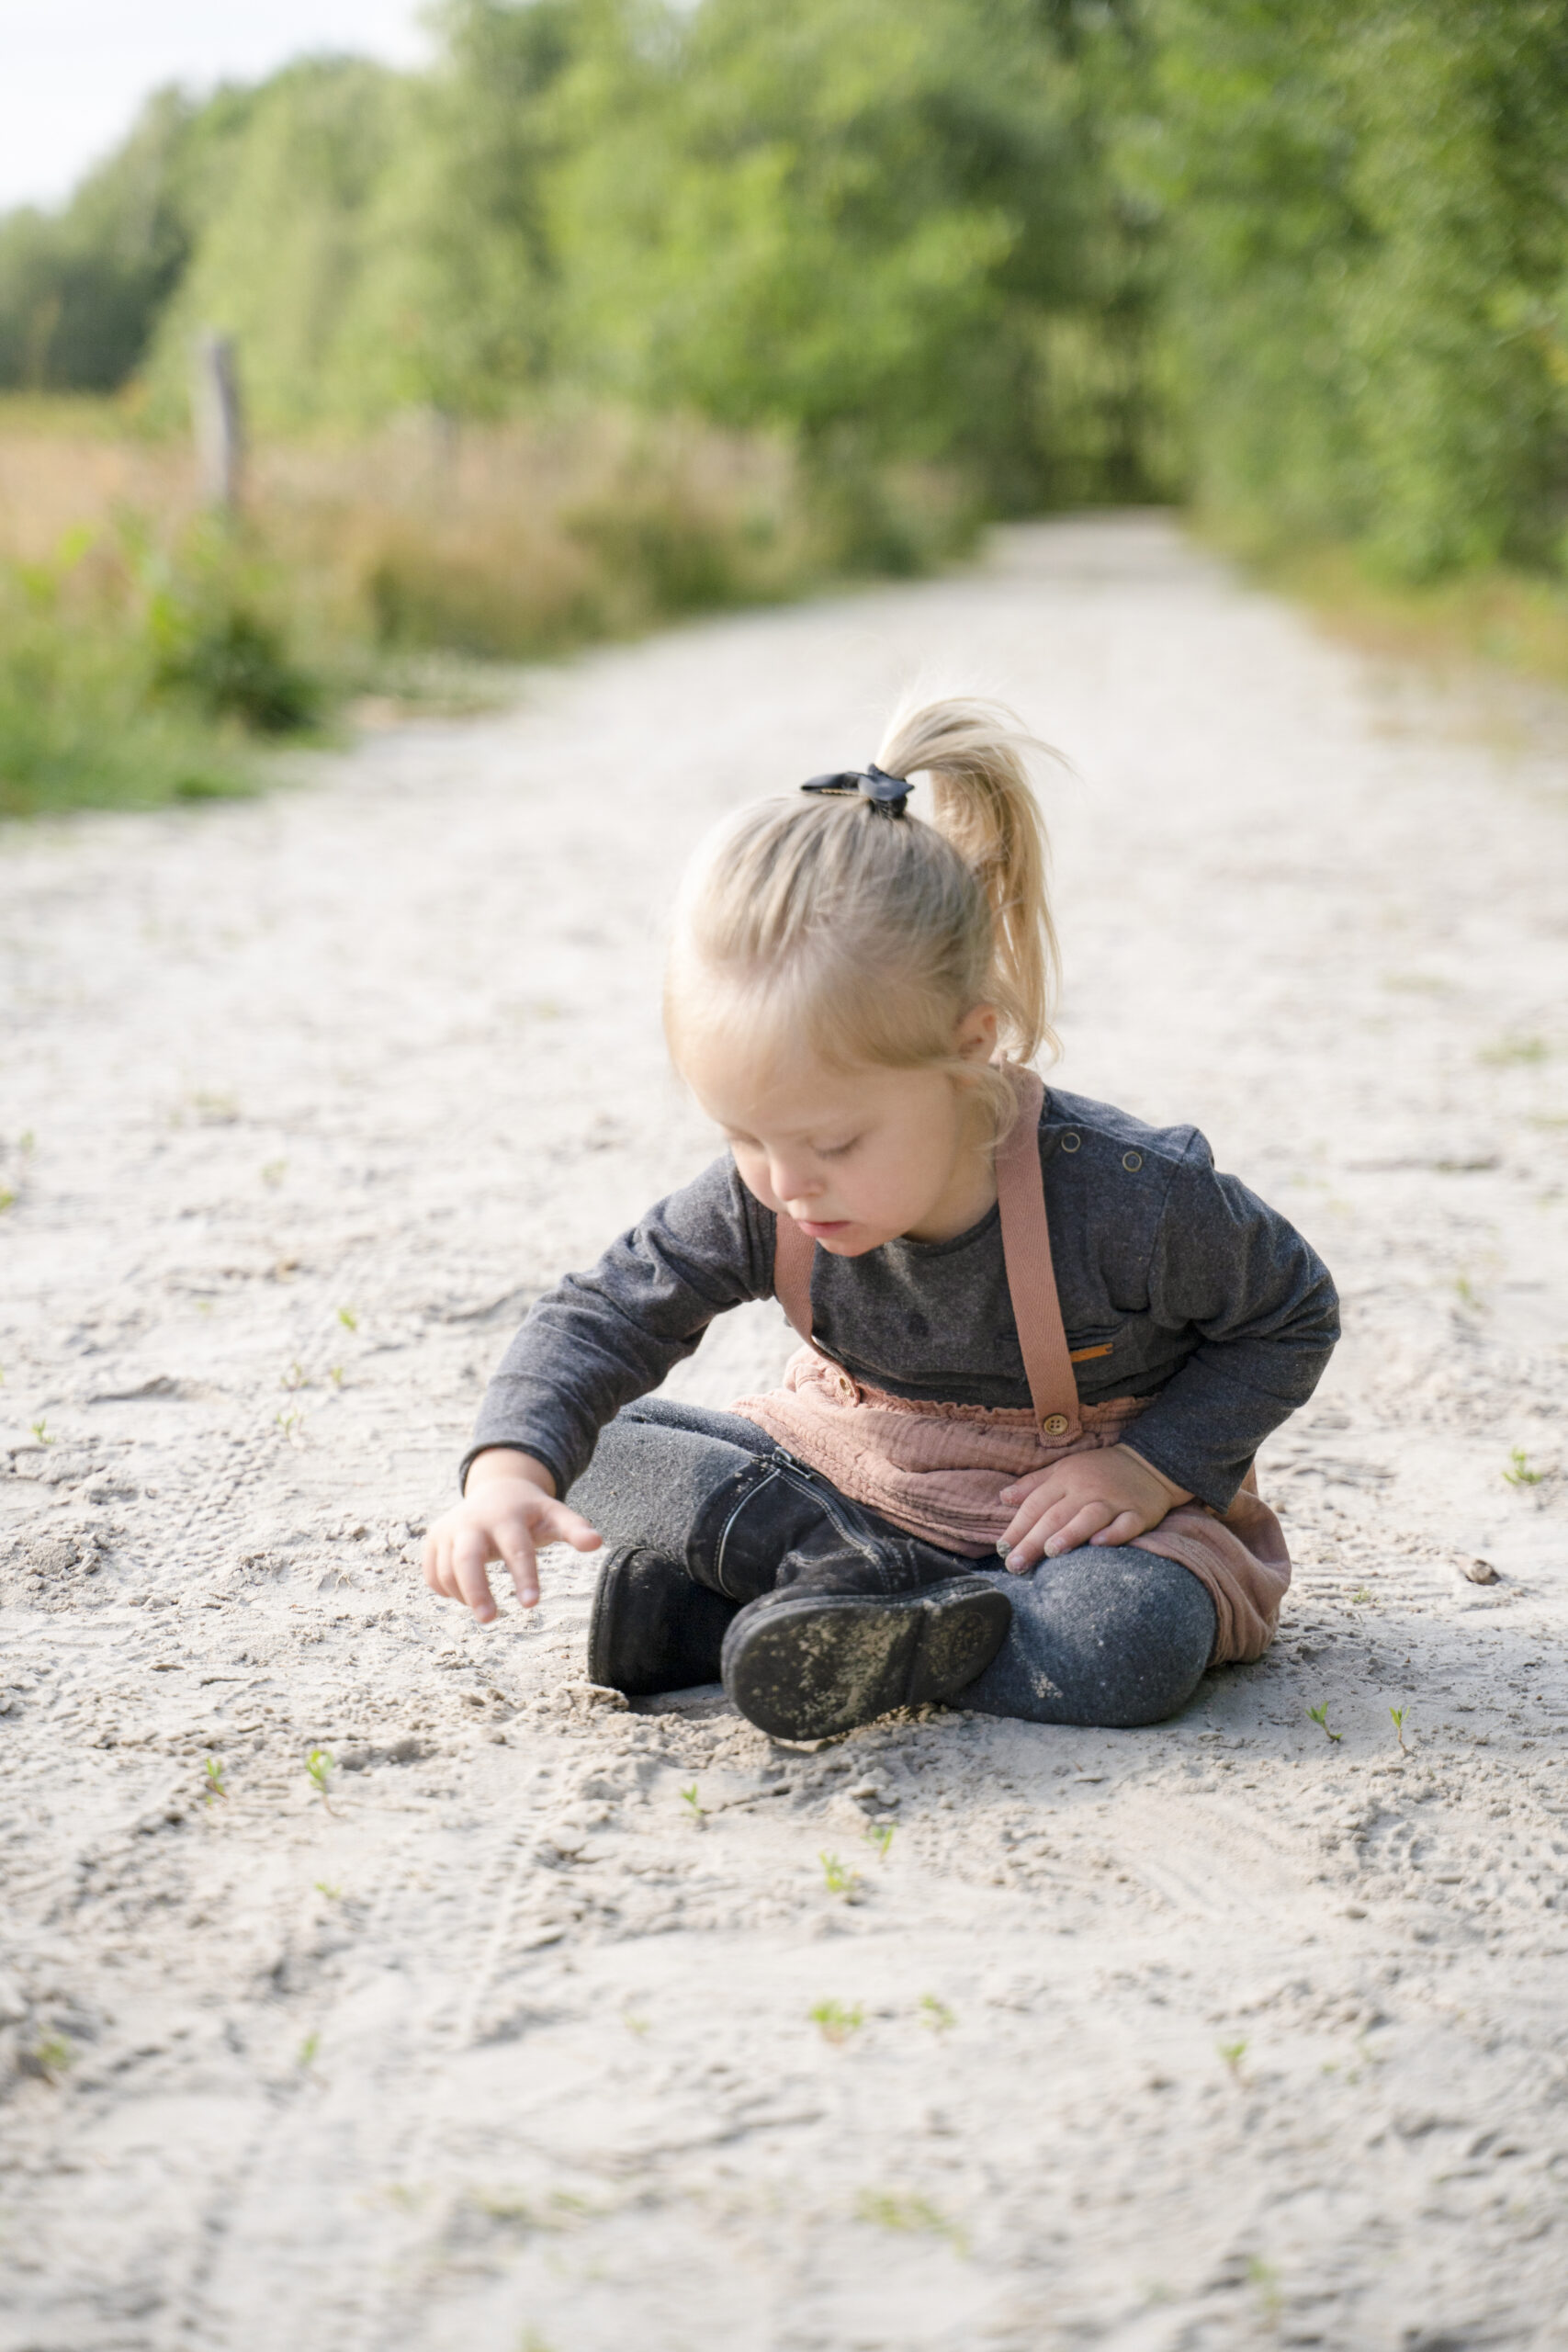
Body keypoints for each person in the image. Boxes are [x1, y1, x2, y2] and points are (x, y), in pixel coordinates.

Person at [422, 698, 1339, 1743]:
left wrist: (1153, 1465)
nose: (787, 1184)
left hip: (1063, 1525)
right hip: (849, 1478)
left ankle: (796, 1609)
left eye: (836, 1143)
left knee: (1129, 1639)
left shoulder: (1129, 1198)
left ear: (971, 1049)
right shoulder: (769, 1188)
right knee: (592, 1442)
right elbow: (599, 1318)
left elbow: (1293, 1311)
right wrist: (506, 1472)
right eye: (746, 1137)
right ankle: (833, 1577)